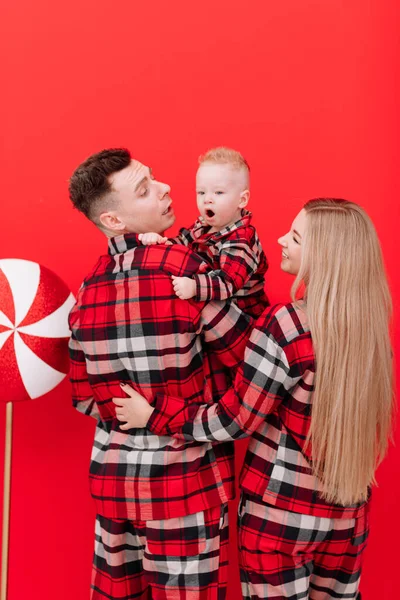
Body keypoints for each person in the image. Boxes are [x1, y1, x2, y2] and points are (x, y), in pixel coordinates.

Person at [114, 199, 394, 600]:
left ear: (325, 257)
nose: (280, 239)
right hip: (349, 518)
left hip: (280, 516)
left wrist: (156, 413)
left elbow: (234, 421)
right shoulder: (372, 332)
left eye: (295, 237)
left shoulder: (288, 325)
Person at [67, 148, 253, 600]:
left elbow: (84, 398)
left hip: (114, 488)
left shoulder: (86, 293)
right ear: (113, 220)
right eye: (145, 190)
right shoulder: (184, 271)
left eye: (154, 178)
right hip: (185, 489)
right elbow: (250, 359)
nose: (167, 188)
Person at [139, 147, 269, 318]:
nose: (207, 199)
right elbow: (181, 244)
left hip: (242, 317)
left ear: (242, 199)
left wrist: (194, 287)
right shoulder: (203, 225)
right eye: (201, 192)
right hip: (214, 308)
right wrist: (161, 242)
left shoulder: (242, 240)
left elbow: (227, 283)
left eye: (219, 192)